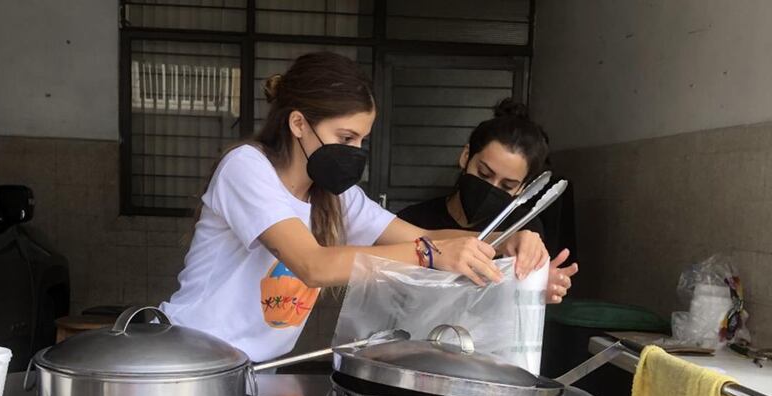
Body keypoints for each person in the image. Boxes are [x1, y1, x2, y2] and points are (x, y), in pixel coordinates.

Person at [160, 52, 549, 362]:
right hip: (191, 358)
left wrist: (503, 242)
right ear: (298, 124)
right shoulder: (247, 167)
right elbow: (313, 265)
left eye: (362, 140)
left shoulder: (333, 195)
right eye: (345, 137)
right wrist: (428, 254)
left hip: (254, 367)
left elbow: (425, 236)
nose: (355, 151)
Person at [398, 99, 579, 304]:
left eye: (507, 186)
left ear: (523, 188)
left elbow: (516, 301)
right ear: (466, 156)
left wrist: (536, 291)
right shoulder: (412, 220)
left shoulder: (525, 231)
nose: (490, 189)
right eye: (484, 174)